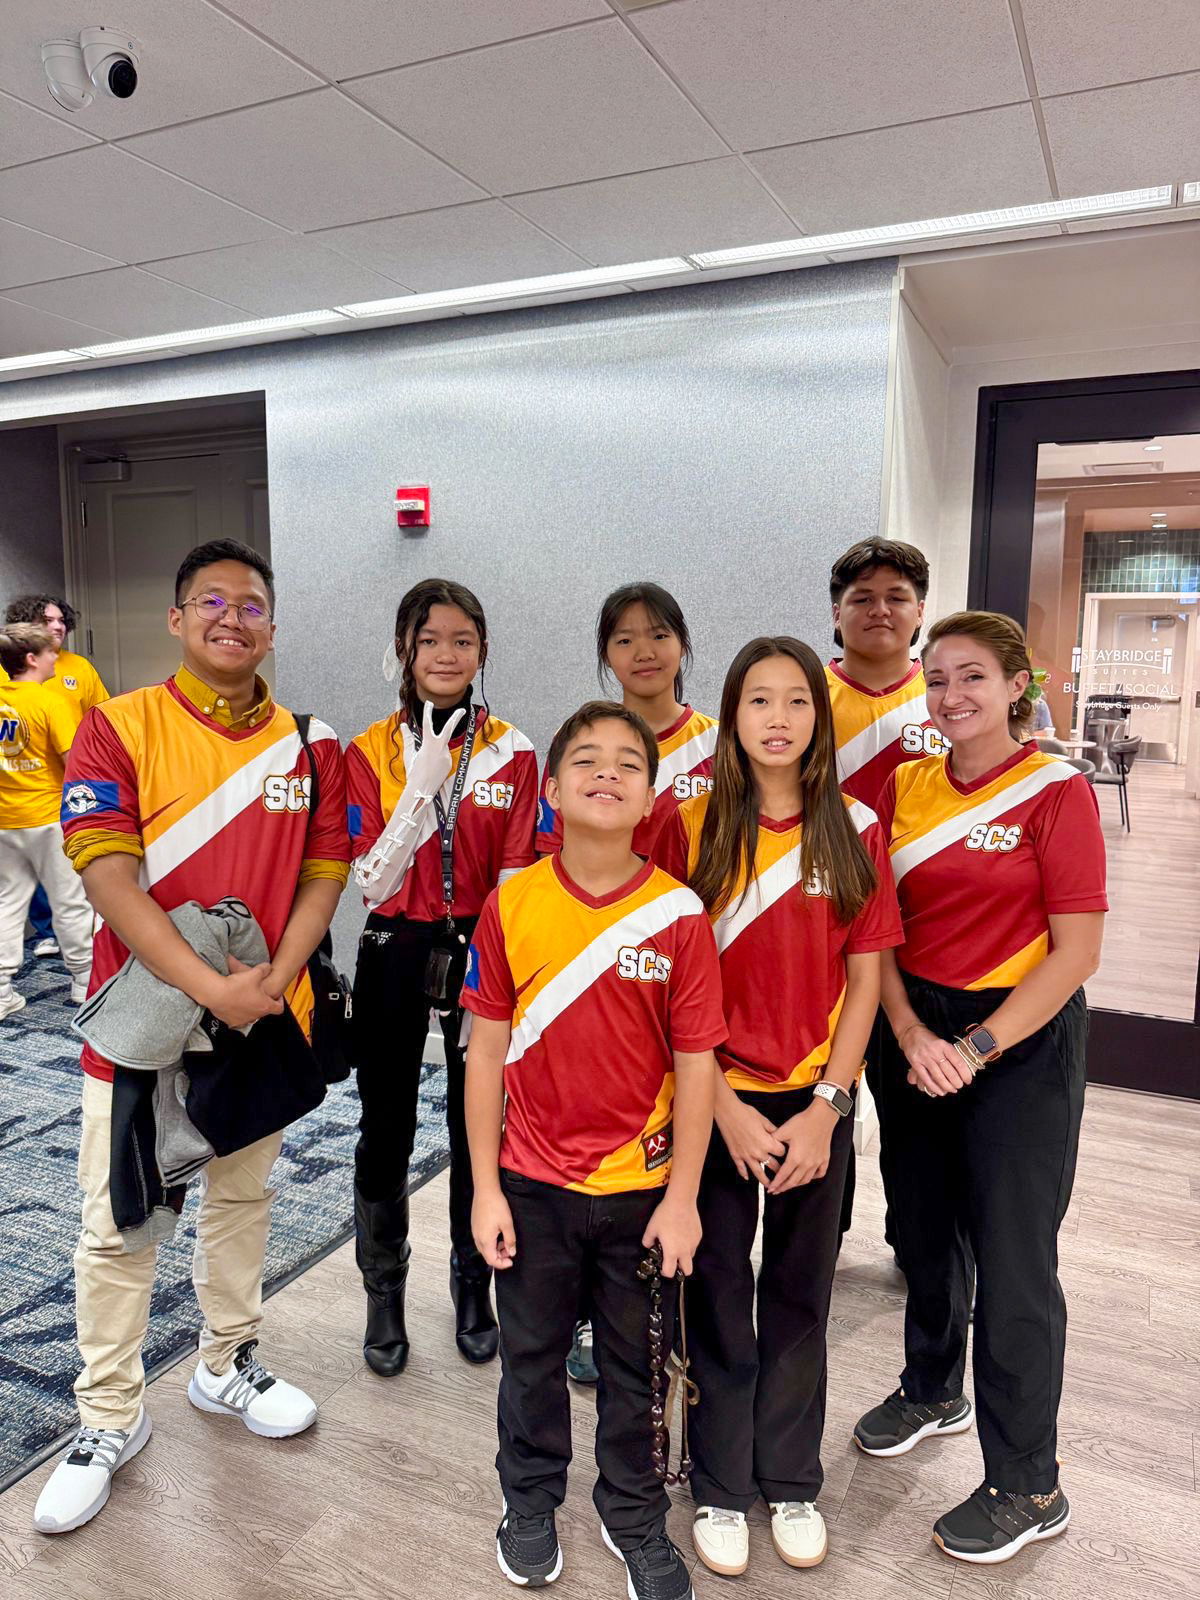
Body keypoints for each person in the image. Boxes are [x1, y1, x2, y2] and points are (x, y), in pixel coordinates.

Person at [32, 538, 349, 1536]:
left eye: (251, 603)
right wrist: (211, 983)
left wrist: (275, 981)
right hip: (141, 1025)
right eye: (210, 601)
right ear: (177, 621)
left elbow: (326, 870)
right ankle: (108, 1418)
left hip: (259, 1014)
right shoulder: (116, 728)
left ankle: (224, 1363)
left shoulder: (312, 741)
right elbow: (108, 878)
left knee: (242, 1197)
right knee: (120, 1222)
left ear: (271, 623)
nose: (232, 616)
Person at [852, 611, 1107, 1566]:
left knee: (1013, 1258)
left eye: (972, 678)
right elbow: (876, 929)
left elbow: (1076, 953)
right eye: (937, 680)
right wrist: (914, 1033)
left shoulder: (1056, 791)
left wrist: (979, 1045)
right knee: (922, 1228)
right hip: (914, 1032)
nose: (951, 696)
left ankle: (1028, 1483)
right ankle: (931, 1387)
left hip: (1021, 1038)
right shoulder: (902, 784)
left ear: (1016, 686)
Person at [651, 638, 901, 1577]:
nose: (780, 717)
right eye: (759, 699)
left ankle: (789, 1478)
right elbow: (672, 990)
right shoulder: (689, 823)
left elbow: (867, 979)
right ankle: (719, 1485)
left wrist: (829, 1107)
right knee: (715, 1290)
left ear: (818, 716)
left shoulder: (856, 825)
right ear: (732, 714)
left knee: (800, 1294)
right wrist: (722, 1110)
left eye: (797, 699)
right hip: (711, 1099)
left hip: (814, 1105)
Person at [464, 700, 724, 1600]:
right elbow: (486, 1052)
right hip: (531, 1186)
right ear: (552, 789)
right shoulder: (512, 901)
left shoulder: (679, 914)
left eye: (628, 763)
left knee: (634, 1367)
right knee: (530, 1358)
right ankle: (529, 1501)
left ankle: (634, 1513)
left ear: (654, 796)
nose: (606, 773)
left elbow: (697, 1068)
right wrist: (486, 1190)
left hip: (642, 1193)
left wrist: (684, 1197)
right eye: (586, 760)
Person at [345, 579, 538, 1374]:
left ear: (483, 651)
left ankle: (472, 1286)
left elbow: (526, 875)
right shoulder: (369, 752)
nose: (448, 654)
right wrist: (418, 791)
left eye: (463, 640)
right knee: (386, 1125)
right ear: (405, 649)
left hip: (481, 951)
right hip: (394, 942)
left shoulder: (517, 751)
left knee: (477, 1128)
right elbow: (371, 883)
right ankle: (383, 1290)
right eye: (431, 640)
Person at [536, 581, 716, 1382]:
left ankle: (663, 1311)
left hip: (688, 964)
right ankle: (585, 1319)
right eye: (623, 639)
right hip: (594, 974)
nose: (643, 652)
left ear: (683, 644)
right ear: (604, 655)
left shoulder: (721, 746)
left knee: (670, 1144)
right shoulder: (585, 743)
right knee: (593, 1153)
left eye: (659, 635)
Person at [825, 538, 945, 1259]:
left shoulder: (947, 696)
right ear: (836, 614)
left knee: (914, 1109)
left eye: (896, 596)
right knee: (825, 1096)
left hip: (922, 941)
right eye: (862, 597)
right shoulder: (804, 694)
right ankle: (819, 1238)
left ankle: (916, 1243)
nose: (879, 609)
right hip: (823, 938)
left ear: (920, 611)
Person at [3, 593, 109, 958]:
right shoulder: (14, 674)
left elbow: (101, 715)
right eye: (47, 621)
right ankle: (57, 941)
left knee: (72, 861)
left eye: (61, 620)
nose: (57, 626)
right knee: (43, 875)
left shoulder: (78, 667)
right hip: (31, 791)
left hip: (67, 783)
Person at [0, 623, 94, 1019]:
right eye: (50, 651)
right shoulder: (49, 702)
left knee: (7, 903)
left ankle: (2, 991)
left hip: (6, 822)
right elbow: (75, 765)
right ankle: (85, 984)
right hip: (47, 818)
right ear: (31, 659)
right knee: (71, 903)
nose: (58, 656)